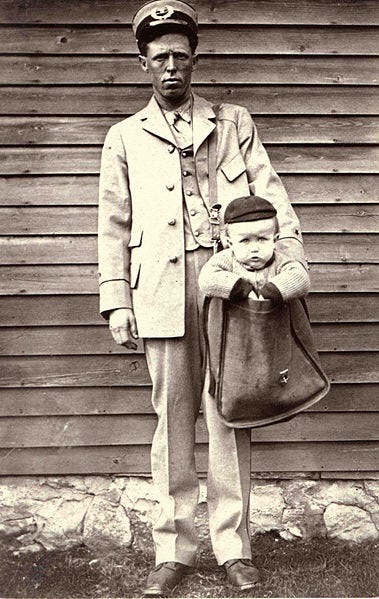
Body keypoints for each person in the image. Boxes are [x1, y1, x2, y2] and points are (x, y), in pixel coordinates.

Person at [98, 1, 307, 595]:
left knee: (229, 414)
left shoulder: (233, 123)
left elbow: (273, 198)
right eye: (160, 58)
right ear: (143, 63)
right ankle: (172, 549)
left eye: (181, 58)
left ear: (195, 61)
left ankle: (233, 547)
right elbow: (112, 222)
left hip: (231, 291)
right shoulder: (124, 138)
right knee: (172, 423)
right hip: (159, 291)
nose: (171, 68)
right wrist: (117, 300)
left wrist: (284, 272)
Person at [198, 195, 310, 304]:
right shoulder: (226, 259)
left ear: (275, 240)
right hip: (236, 319)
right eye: (245, 241)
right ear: (230, 243)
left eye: (262, 239)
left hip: (275, 319)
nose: (254, 249)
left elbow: (301, 278)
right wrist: (240, 289)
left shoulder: (280, 261)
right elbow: (206, 279)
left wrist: (271, 292)